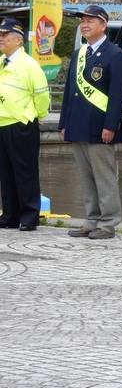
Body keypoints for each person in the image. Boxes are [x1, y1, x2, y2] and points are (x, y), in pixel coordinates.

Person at [59, 5, 122, 240]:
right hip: (78, 125)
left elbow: (118, 95)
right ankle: (91, 220)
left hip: (101, 128)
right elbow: (70, 92)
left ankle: (108, 223)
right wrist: (63, 123)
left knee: (104, 177)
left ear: (103, 24)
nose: (85, 24)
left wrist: (111, 125)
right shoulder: (79, 54)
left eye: (90, 20)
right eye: (83, 21)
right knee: (86, 177)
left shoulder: (116, 54)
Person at [0, 18, 50, 231]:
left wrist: (39, 115)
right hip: (2, 123)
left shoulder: (29, 64)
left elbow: (41, 96)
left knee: (25, 171)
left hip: (21, 124)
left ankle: (29, 215)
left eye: (5, 35)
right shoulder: (2, 61)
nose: (1, 38)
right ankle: (9, 215)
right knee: (6, 173)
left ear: (18, 40)